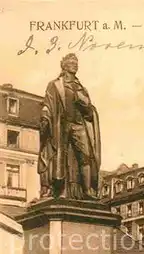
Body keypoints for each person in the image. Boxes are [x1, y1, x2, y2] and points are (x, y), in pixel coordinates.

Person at [38, 53, 101, 200]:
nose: (75, 65)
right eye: (72, 63)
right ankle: (60, 191)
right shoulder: (55, 85)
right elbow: (47, 104)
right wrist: (45, 118)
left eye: (76, 63)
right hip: (62, 125)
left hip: (79, 125)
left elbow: (89, 112)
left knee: (85, 156)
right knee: (61, 157)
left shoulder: (81, 88)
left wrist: (85, 104)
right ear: (64, 66)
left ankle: (87, 191)